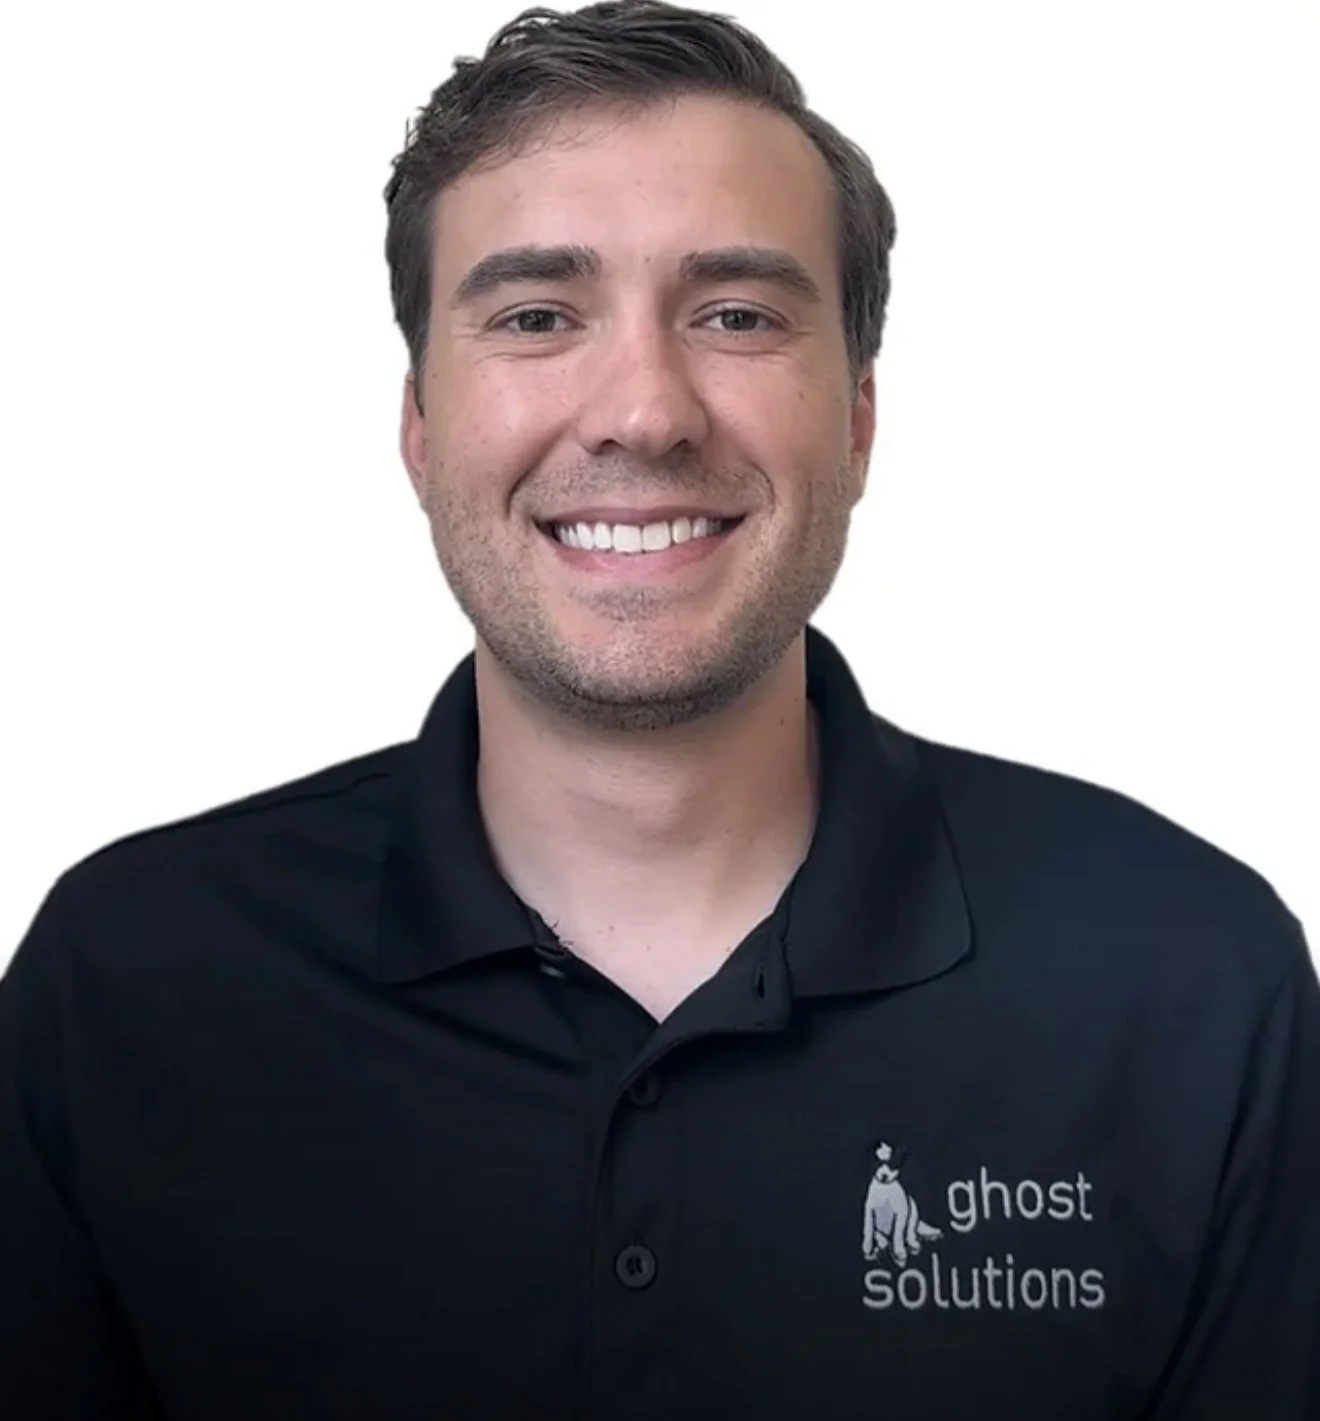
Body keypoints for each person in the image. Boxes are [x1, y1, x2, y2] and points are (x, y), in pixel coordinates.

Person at [2, 1, 1316, 1416]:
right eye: (537, 316)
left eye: (737, 314)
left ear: (860, 418)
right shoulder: (127, 986)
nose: (643, 411)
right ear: (420, 427)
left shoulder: (1188, 985)